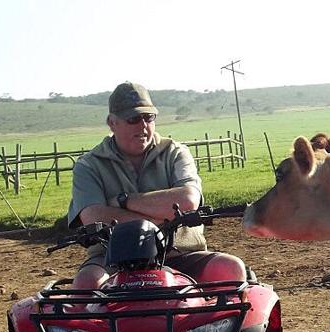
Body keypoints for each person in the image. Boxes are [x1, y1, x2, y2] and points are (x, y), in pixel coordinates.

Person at [67, 81, 246, 288]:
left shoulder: (175, 153)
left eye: (148, 117)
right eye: (133, 119)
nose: (143, 126)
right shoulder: (89, 165)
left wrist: (123, 201)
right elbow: (93, 217)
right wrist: (161, 222)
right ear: (112, 122)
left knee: (230, 269)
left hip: (179, 252)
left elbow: (188, 201)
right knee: (88, 282)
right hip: (113, 259)